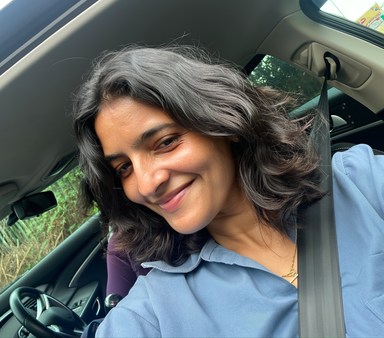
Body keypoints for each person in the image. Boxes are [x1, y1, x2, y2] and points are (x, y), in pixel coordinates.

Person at [73, 46, 384, 337]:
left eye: (165, 142)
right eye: (124, 168)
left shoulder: (359, 180)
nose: (146, 184)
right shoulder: (152, 311)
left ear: (225, 123)